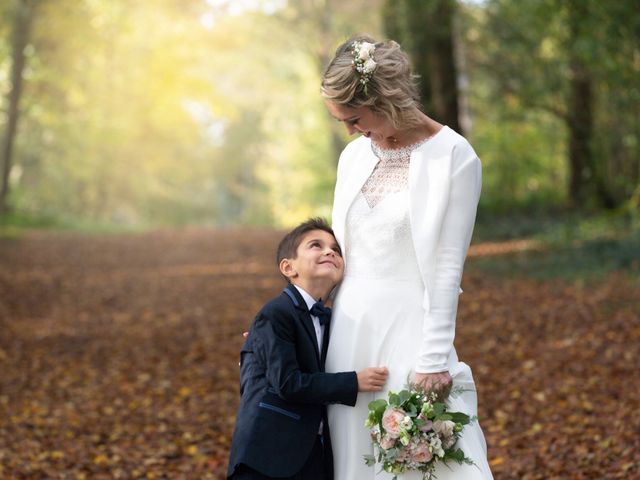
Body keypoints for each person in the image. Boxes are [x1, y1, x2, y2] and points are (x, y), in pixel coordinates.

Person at [321, 36, 494, 479]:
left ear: (384, 98)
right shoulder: (354, 155)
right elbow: (338, 255)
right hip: (349, 334)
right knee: (355, 461)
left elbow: (447, 266)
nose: (349, 130)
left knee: (428, 464)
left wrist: (434, 358)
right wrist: (289, 324)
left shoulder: (454, 156)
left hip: (410, 331)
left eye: (354, 118)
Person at [227, 218, 389, 480]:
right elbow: (288, 383)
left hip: (313, 455)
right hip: (268, 452)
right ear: (288, 267)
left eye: (336, 250)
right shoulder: (276, 313)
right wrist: (354, 382)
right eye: (316, 245)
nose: (329, 252)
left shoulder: (333, 321)